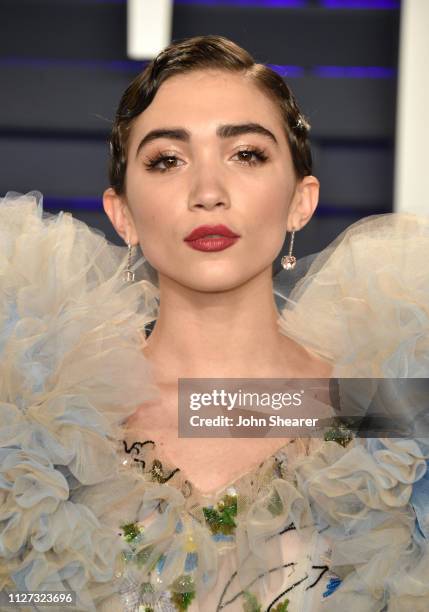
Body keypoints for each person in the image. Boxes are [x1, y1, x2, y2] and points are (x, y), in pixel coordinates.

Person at [1, 34, 429, 612]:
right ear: (122, 213)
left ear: (301, 201)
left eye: (247, 154)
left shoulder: (391, 423)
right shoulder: (36, 432)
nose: (208, 193)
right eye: (167, 160)